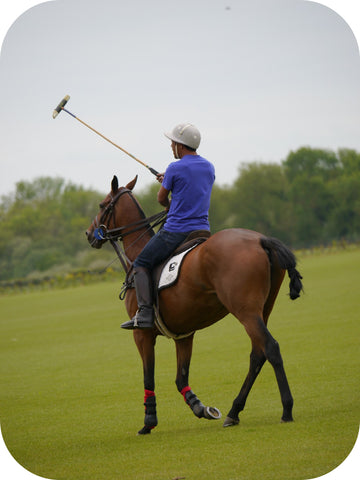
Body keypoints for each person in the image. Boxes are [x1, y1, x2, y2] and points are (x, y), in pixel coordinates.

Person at [121, 123, 215, 330]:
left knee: (140, 263)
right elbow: (192, 190)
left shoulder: (175, 168)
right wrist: (170, 181)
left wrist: (168, 188)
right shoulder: (208, 166)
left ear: (180, 146)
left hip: (176, 231)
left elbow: (162, 199)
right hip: (202, 230)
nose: (171, 146)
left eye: (173, 142)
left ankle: (144, 314)